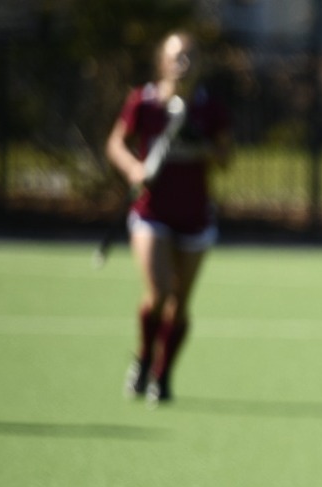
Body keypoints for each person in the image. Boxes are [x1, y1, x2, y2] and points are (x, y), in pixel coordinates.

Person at [104, 31, 232, 406]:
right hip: (151, 212)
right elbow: (116, 143)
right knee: (158, 294)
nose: (184, 63)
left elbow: (226, 159)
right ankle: (144, 356)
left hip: (194, 216)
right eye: (177, 56)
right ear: (163, 61)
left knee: (180, 305)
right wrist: (133, 169)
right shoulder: (143, 102)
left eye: (191, 56)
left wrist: (202, 146)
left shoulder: (210, 108)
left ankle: (163, 374)